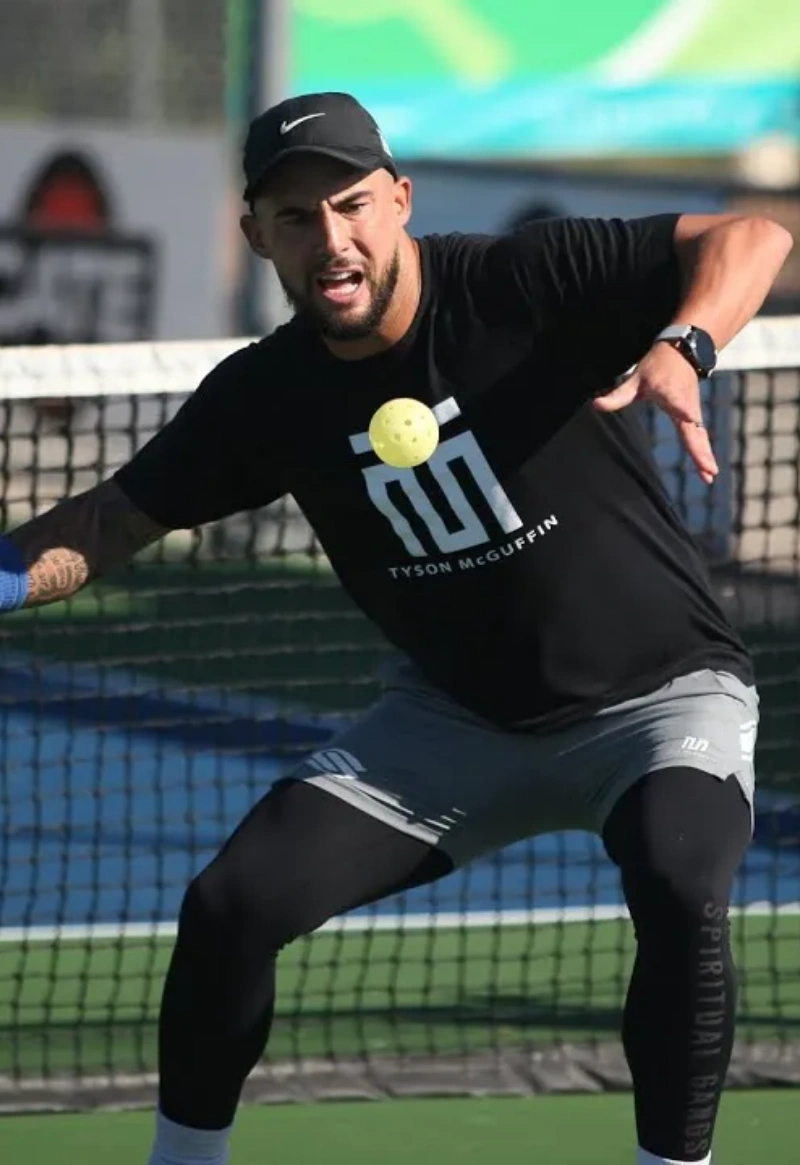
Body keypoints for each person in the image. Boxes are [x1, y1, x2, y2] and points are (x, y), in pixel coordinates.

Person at [0, 92, 792, 1165]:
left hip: (659, 699)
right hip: (454, 724)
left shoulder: (517, 282)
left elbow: (752, 234)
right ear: (256, 237)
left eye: (352, 204)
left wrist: (684, 347)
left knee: (678, 874)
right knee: (229, 905)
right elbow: (107, 520)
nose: (331, 238)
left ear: (399, 200)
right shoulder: (264, 396)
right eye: (294, 217)